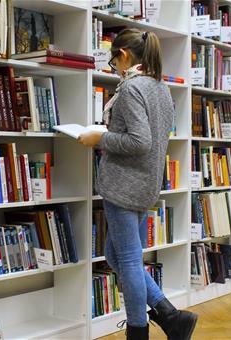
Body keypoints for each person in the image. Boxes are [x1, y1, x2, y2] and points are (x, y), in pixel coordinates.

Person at [78, 28, 198, 340]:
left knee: (128, 260)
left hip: (123, 185)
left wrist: (99, 137)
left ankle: (139, 330)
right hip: (145, 184)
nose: (112, 65)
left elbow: (140, 141)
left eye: (112, 59)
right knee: (117, 256)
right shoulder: (159, 87)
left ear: (126, 56)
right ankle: (171, 317)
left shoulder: (131, 89)